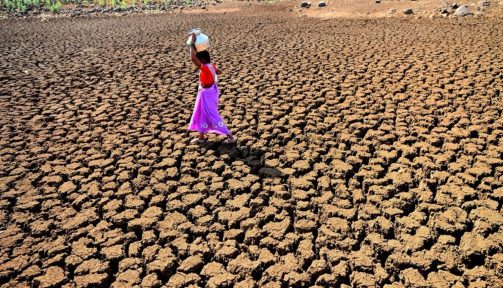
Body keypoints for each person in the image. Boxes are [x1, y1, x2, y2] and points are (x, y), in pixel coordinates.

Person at [187, 33, 235, 144]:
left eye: (199, 61)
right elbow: (219, 71)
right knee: (202, 113)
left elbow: (193, 58)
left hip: (208, 94)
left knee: (213, 115)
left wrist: (191, 43)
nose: (197, 63)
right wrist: (215, 72)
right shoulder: (211, 66)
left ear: (202, 60)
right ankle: (201, 137)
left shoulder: (205, 68)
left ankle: (230, 137)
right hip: (209, 92)